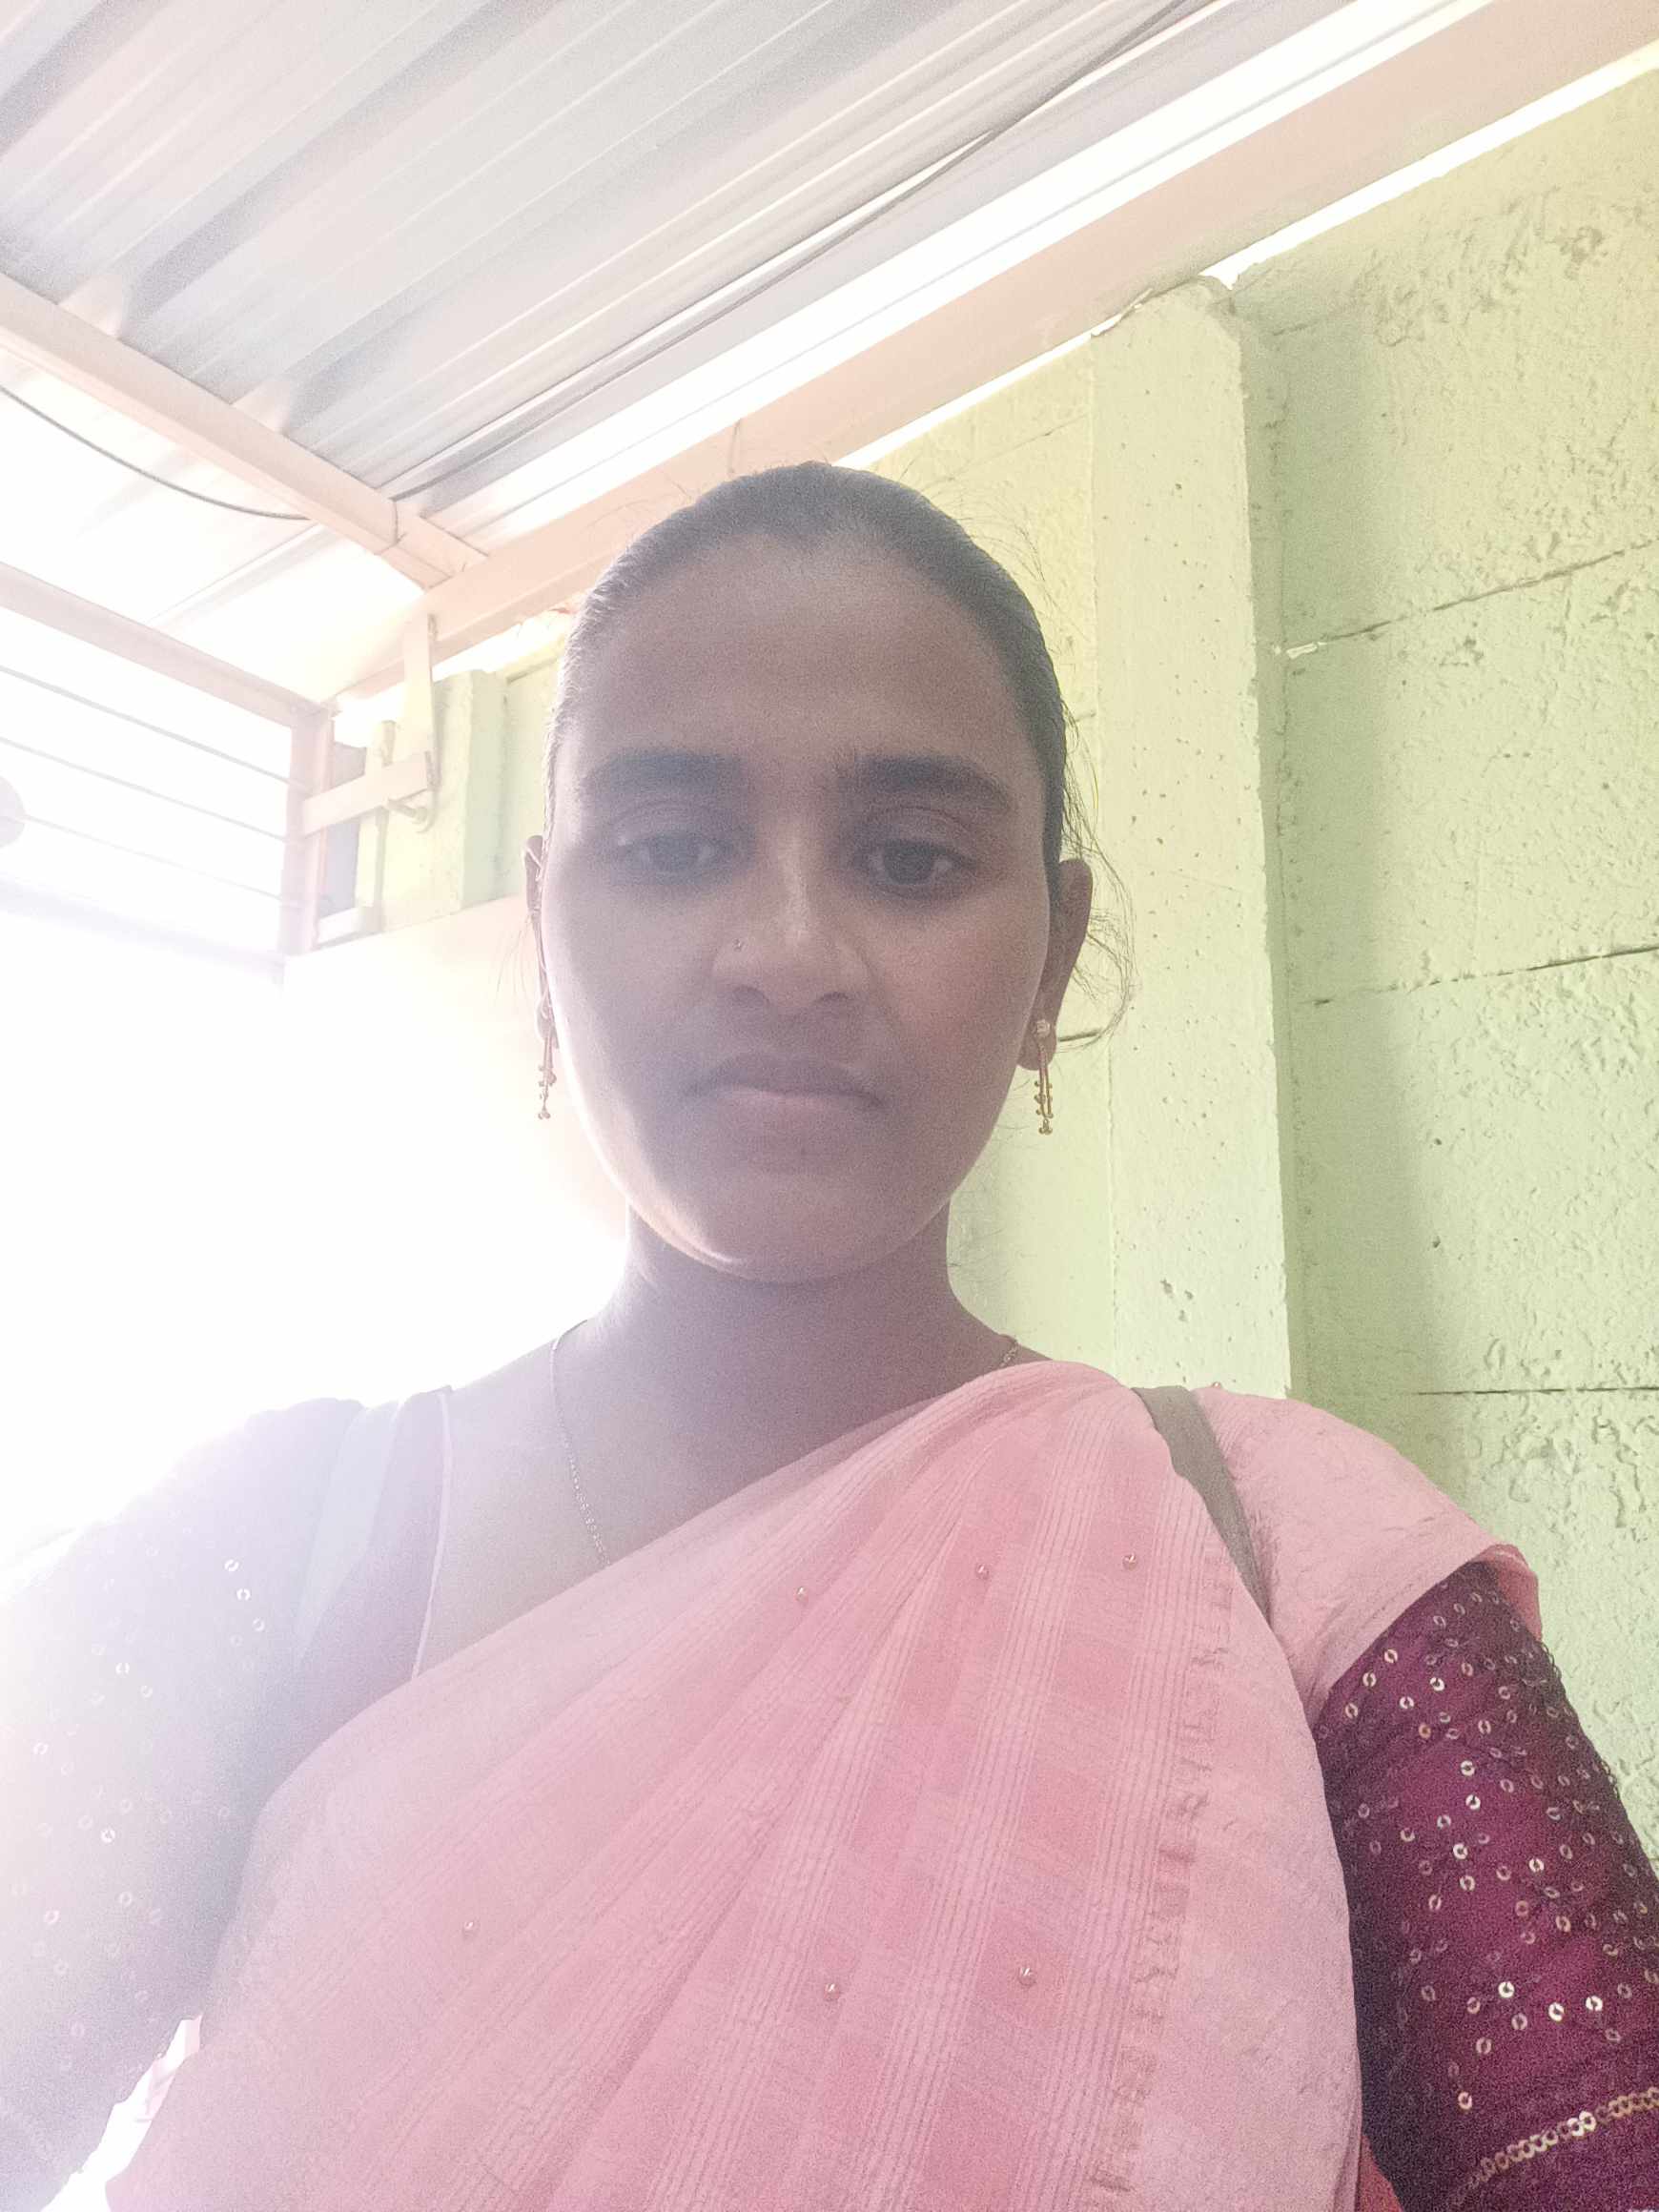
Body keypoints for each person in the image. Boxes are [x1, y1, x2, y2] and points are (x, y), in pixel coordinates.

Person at [3, 462, 1655, 2212]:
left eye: (910, 859)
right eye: (675, 848)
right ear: (545, 928)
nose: (789, 952)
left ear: (1051, 958)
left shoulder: (1294, 1568)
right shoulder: (278, 1547)